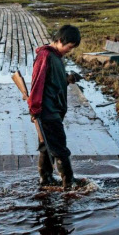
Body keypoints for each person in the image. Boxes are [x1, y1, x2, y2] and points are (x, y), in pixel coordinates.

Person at [28, 25, 82, 189]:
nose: (69, 50)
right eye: (69, 46)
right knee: (59, 147)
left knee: (46, 146)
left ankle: (46, 179)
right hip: (47, 111)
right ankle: (69, 182)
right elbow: (37, 85)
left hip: (54, 110)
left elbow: (54, 81)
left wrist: (68, 78)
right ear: (59, 40)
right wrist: (35, 110)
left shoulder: (56, 57)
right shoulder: (45, 56)